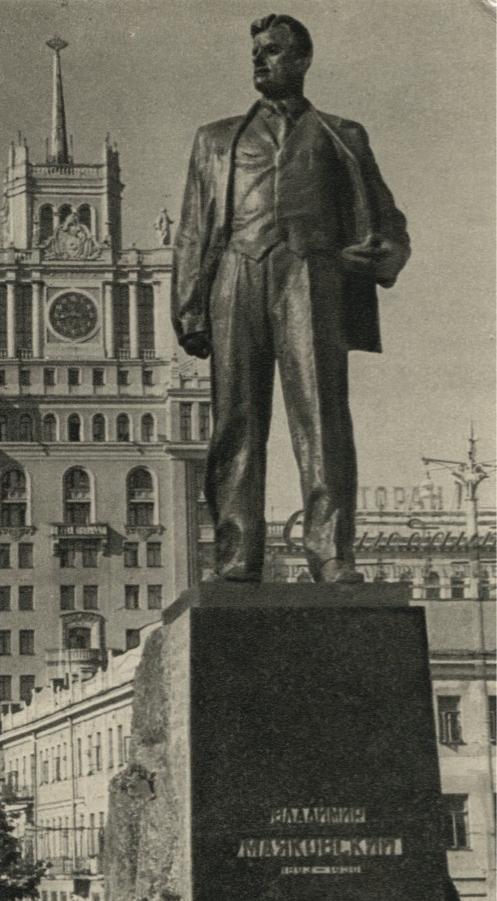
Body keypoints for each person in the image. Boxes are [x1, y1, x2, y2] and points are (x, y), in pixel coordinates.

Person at [172, 14, 410, 585]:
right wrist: (189, 306)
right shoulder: (215, 139)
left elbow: (388, 221)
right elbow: (192, 230)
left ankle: (330, 552)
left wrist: (387, 253)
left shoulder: (343, 136)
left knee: (322, 416)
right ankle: (237, 554)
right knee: (236, 420)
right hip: (237, 274)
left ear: (302, 60)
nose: (260, 60)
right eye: (256, 51)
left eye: (273, 51)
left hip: (314, 278)